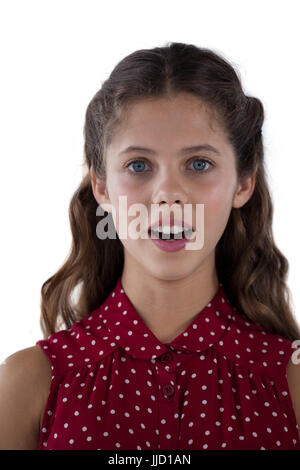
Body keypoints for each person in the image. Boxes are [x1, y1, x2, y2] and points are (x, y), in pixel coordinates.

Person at [1, 42, 300, 450]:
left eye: (199, 164)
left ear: (243, 182)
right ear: (102, 186)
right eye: (138, 165)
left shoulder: (291, 384)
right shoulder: (27, 385)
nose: (168, 194)